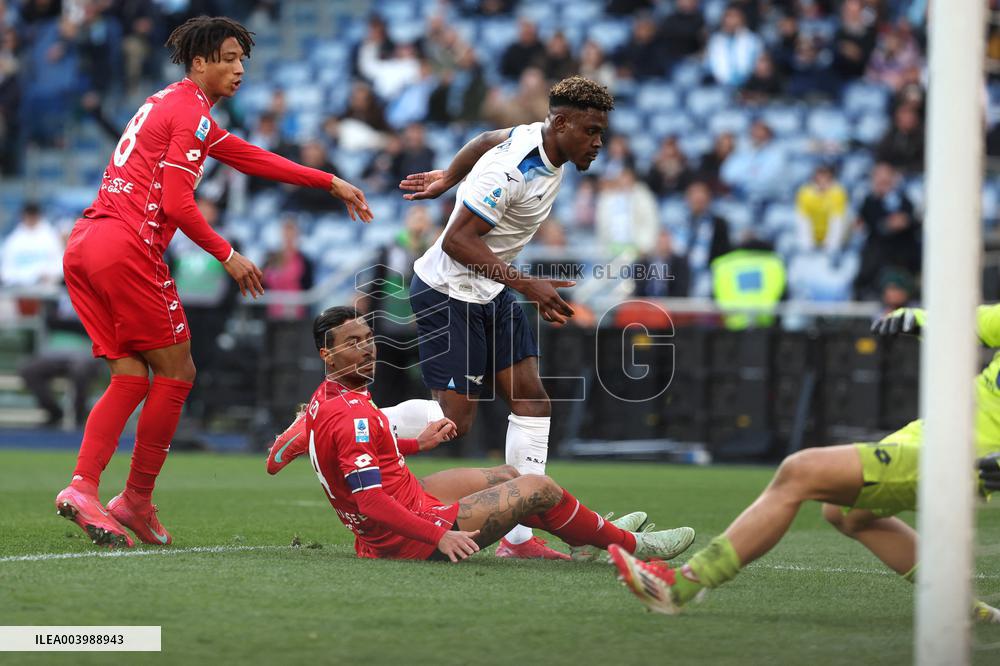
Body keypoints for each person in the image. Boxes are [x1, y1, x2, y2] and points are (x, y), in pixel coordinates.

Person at [54, 16, 373, 549]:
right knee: (177, 372)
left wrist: (328, 180)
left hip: (86, 242)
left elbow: (249, 157)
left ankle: (84, 487)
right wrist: (228, 255)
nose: (239, 68)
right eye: (228, 58)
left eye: (242, 59)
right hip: (128, 245)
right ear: (199, 63)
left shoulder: (169, 102)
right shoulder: (191, 113)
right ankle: (135, 498)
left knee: (130, 377)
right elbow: (179, 203)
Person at [609, 305, 1000, 623]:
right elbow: (969, 322)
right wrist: (916, 318)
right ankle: (963, 609)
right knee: (847, 514)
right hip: (928, 436)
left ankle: (680, 586)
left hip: (963, 457)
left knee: (801, 471)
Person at [394, 76, 615, 559]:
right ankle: (339, 426)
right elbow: (457, 241)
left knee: (532, 401)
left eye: (601, 131)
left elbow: (485, 138)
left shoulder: (537, 140)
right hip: (449, 291)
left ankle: (517, 541)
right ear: (561, 123)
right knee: (454, 422)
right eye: (592, 131)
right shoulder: (512, 171)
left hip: (491, 289)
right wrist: (528, 285)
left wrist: (447, 178)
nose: (599, 142)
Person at [303, 306, 695, 563]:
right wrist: (437, 536)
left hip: (399, 510)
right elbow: (370, 500)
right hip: (406, 536)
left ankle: (587, 538)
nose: (367, 349)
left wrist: (416, 444)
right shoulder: (350, 413)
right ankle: (632, 547)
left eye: (368, 339)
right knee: (538, 487)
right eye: (353, 343)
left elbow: (346, 451)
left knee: (509, 476)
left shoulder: (329, 397)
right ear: (327, 355)